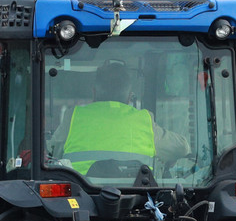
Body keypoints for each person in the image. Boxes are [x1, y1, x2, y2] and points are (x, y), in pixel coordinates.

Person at [50, 61, 189, 176]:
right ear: (129, 97)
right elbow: (183, 148)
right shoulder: (144, 120)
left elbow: (52, 153)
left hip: (80, 195)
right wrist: (169, 157)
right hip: (137, 196)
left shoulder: (74, 116)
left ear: (94, 93)